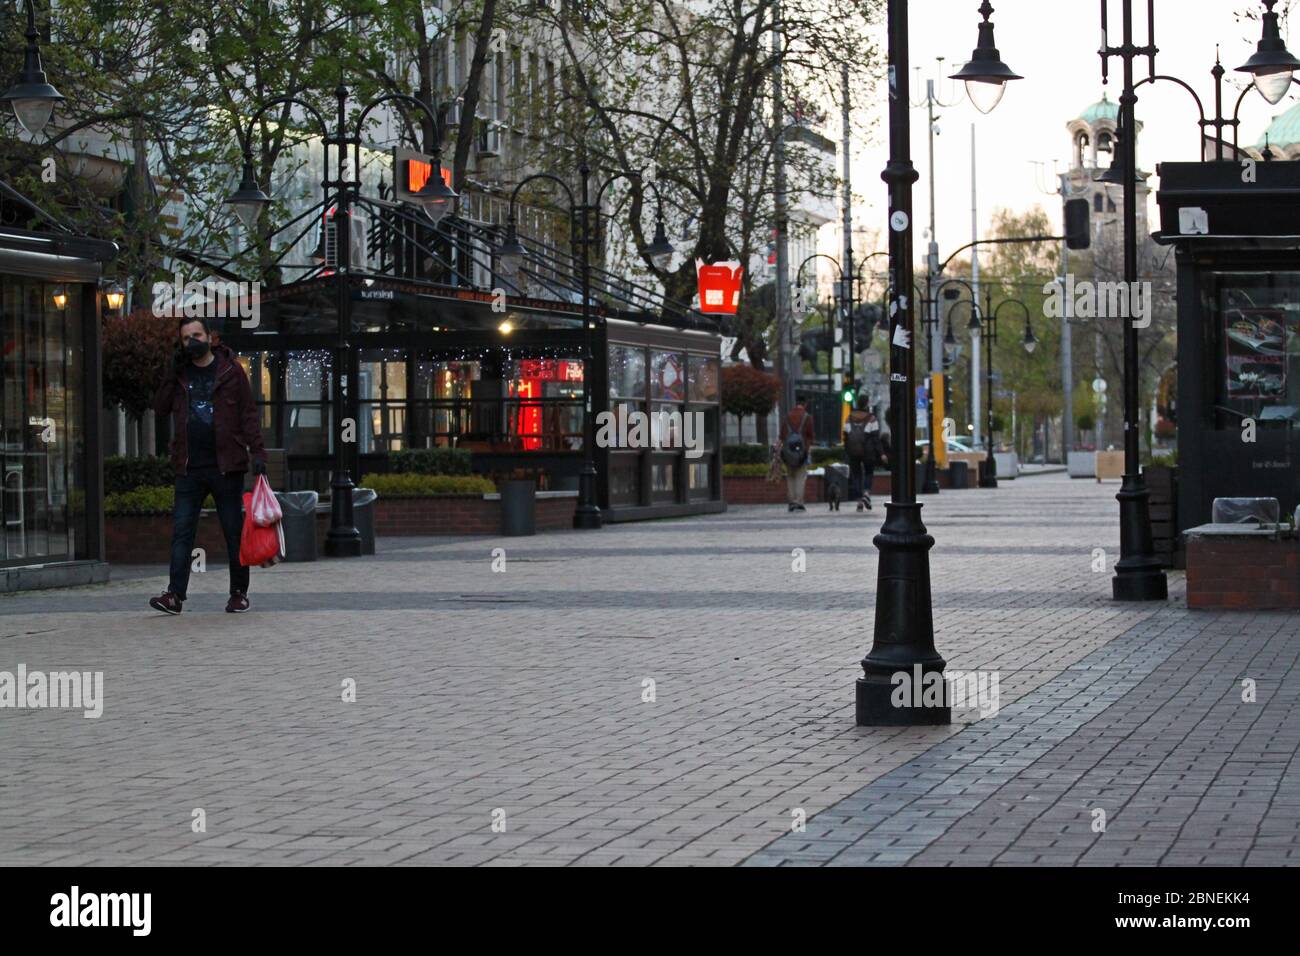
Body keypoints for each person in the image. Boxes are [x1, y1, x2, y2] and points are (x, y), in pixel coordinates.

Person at [149, 318, 268, 615]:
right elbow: (160, 407)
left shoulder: (231, 370)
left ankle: (238, 593)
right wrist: (170, 371)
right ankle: (174, 595)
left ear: (210, 337)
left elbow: (248, 414)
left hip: (226, 466)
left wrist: (258, 453)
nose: (192, 341)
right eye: (186, 338)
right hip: (189, 467)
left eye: (197, 335)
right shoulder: (179, 374)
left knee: (232, 531)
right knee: (182, 531)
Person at [779, 397, 815, 512]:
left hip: (788, 452)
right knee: (800, 476)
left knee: (790, 476)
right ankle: (798, 501)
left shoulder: (787, 416)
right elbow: (810, 435)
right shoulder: (807, 417)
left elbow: (782, 435)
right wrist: (807, 448)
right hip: (801, 452)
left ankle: (791, 501)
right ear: (805, 404)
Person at [843, 396, 874, 510]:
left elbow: (845, 436)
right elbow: (875, 436)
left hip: (853, 451)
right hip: (868, 451)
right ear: (866, 404)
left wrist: (847, 451)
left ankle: (859, 502)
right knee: (869, 472)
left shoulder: (849, 418)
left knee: (856, 475)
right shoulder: (871, 418)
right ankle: (866, 493)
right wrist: (881, 453)